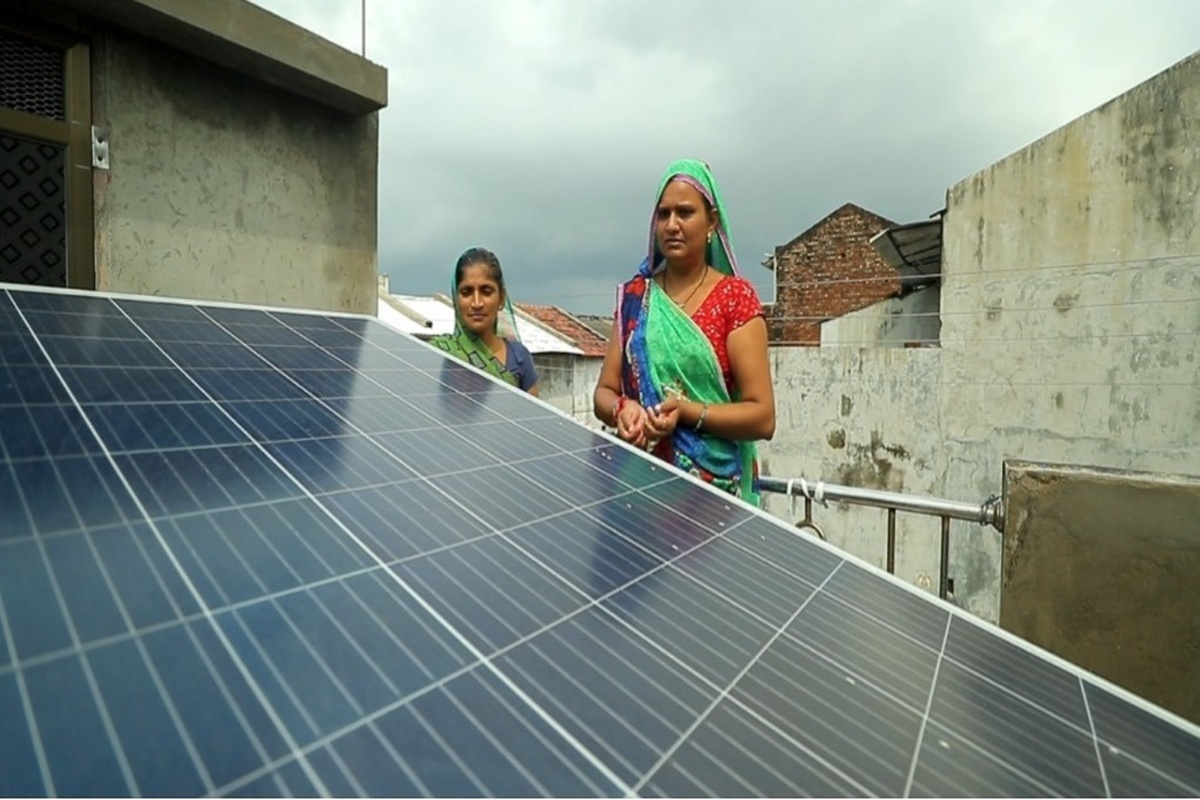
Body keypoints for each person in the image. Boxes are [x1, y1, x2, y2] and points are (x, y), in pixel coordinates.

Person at [593, 159, 775, 505]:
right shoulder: (635, 298)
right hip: (638, 492)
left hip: (709, 500)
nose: (672, 225)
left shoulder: (735, 299)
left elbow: (762, 417)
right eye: (663, 214)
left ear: (712, 222)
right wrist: (622, 409)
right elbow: (604, 391)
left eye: (685, 213)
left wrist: (686, 411)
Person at [430, 247, 539, 395]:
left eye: (486, 292)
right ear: (456, 299)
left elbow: (531, 409)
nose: (477, 303)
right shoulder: (438, 353)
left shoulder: (519, 357)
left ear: (501, 298)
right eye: (466, 292)